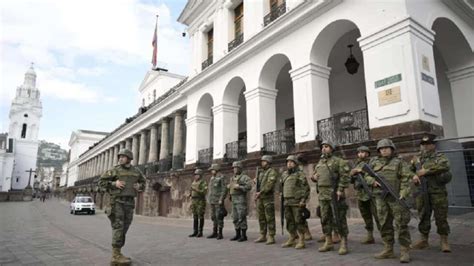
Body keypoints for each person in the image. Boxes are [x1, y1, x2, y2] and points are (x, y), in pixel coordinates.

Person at [364, 139, 414, 263]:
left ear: (392, 149)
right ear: (378, 151)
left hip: (396, 197)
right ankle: (388, 249)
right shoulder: (374, 162)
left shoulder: (399, 162)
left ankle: (404, 250)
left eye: (386, 148)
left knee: (401, 224)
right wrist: (372, 181)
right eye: (381, 148)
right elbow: (366, 175)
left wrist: (403, 193)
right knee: (383, 223)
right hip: (380, 198)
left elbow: (406, 179)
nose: (384, 150)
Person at [98, 149, 146, 265]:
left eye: (123, 157)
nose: (120, 158)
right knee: (118, 227)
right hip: (117, 202)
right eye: (119, 157)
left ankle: (118, 252)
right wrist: (114, 184)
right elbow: (100, 182)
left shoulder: (136, 171)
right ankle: (115, 256)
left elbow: (143, 183)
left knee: (125, 227)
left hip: (129, 203)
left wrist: (139, 186)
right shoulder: (114, 170)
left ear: (129, 158)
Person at [411, 135, 452, 252]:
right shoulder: (416, 158)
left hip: (437, 192)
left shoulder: (440, 156)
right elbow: (409, 170)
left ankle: (444, 241)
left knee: (441, 216)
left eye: (428, 144)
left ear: (433, 145)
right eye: (423, 144)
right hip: (422, 192)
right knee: (423, 215)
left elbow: (445, 166)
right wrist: (413, 175)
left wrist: (427, 171)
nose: (425, 146)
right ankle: (424, 240)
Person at [311, 140, 350, 255]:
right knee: (325, 218)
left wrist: (340, 189)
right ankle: (328, 241)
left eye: (326, 146)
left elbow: (345, 177)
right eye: (322, 147)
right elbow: (314, 176)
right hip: (322, 194)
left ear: (332, 149)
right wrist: (313, 177)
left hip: (334, 193)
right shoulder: (320, 162)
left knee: (339, 218)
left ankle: (343, 242)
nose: (324, 148)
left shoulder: (339, 161)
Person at [350, 145, 380, 244]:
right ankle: (370, 235)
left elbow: (374, 174)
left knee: (378, 215)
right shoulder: (356, 164)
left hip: (371, 192)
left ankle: (385, 237)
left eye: (363, 152)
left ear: (367, 153)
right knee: (366, 216)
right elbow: (350, 180)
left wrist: (361, 171)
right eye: (359, 152)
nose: (360, 154)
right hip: (360, 194)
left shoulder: (373, 162)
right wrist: (352, 174)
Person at [281, 155, 310, 249]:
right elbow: (281, 186)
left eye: (291, 162)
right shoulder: (284, 174)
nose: (289, 164)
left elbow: (305, 188)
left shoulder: (299, 174)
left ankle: (301, 239)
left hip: (296, 201)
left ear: (295, 164)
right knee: (289, 220)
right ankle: (292, 237)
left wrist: (303, 200)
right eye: (287, 162)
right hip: (287, 201)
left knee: (298, 220)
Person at [254, 155, 279, 245]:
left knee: (270, 217)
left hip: (267, 198)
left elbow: (269, 184)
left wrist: (261, 192)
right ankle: (263, 234)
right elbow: (260, 184)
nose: (262, 163)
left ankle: (271, 235)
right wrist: (256, 181)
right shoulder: (261, 172)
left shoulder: (272, 172)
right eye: (262, 161)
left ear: (268, 162)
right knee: (261, 217)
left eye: (264, 161)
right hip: (260, 198)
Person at [228, 161, 252, 242]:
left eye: (236, 168)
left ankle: (243, 235)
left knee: (241, 216)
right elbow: (231, 187)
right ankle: (237, 234)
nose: (235, 169)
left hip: (241, 199)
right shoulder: (232, 178)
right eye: (234, 168)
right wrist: (230, 193)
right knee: (235, 217)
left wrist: (240, 187)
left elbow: (249, 186)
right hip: (234, 199)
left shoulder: (245, 177)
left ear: (240, 168)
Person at [207, 163, 228, 240]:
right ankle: (214, 232)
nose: (211, 171)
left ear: (216, 169)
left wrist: (221, 199)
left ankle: (220, 233)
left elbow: (224, 189)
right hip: (212, 200)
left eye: (212, 170)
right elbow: (210, 189)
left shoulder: (222, 177)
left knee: (219, 216)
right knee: (213, 217)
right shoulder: (212, 178)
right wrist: (209, 198)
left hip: (218, 200)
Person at [188, 169, 207, 238]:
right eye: (195, 175)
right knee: (195, 216)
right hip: (194, 200)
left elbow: (204, 192)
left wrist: (197, 190)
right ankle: (195, 231)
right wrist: (190, 195)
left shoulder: (203, 182)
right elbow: (191, 190)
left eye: (197, 175)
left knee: (200, 216)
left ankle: (200, 232)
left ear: (200, 175)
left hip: (200, 200)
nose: (196, 176)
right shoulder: (193, 182)